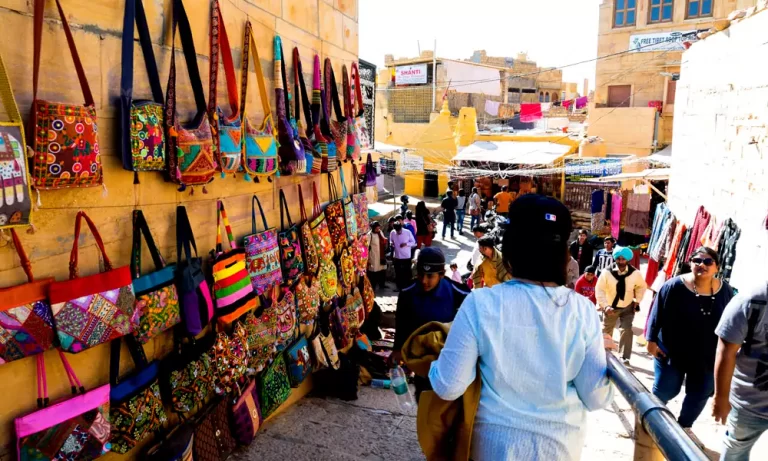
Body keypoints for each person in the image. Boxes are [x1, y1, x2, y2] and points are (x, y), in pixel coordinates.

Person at [428, 194, 613, 460]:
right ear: (564, 253)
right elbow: (596, 398)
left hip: (492, 449)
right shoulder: (582, 311)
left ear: (512, 247)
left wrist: (434, 362)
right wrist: (603, 357)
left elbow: (448, 385)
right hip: (559, 449)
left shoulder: (480, 303)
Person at [644, 247, 734, 436]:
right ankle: (649, 422)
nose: (702, 265)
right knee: (666, 391)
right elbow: (656, 312)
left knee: (700, 393)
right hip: (671, 352)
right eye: (696, 261)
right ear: (690, 263)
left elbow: (732, 320)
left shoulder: (725, 290)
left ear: (717, 266)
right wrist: (651, 340)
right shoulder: (674, 286)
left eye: (708, 261)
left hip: (707, 356)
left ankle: (684, 427)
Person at [393, 248, 470, 396]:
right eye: (421, 275)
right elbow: (402, 322)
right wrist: (397, 349)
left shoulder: (459, 293)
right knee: (423, 397)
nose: (424, 281)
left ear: (441, 275)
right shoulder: (407, 294)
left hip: (449, 360)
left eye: (430, 276)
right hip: (422, 360)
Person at [713, 267, 768, 459]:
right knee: (736, 448)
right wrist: (720, 397)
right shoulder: (749, 300)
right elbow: (726, 351)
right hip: (750, 403)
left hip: (750, 402)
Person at [596, 246, 648, 365]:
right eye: (618, 259)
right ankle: (604, 355)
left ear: (627, 260)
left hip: (627, 307)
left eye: (623, 259)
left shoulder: (635, 273)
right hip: (610, 308)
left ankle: (624, 357)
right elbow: (599, 290)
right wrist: (605, 306)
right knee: (606, 332)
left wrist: (637, 300)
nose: (620, 262)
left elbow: (642, 286)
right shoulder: (606, 273)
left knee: (627, 330)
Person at [389, 218, 416, 290]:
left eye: (399, 230)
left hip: (406, 256)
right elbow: (391, 240)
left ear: (401, 227)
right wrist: (391, 243)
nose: (398, 232)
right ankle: (399, 287)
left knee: (406, 272)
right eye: (397, 231)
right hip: (397, 256)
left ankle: (407, 286)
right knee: (398, 272)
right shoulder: (392, 232)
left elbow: (413, 242)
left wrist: (406, 244)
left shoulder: (407, 232)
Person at [366, 222, 388, 290]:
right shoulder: (370, 235)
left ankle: (382, 284)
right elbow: (367, 246)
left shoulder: (380, 232)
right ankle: (373, 286)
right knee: (374, 272)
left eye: (379, 227)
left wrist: (385, 240)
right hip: (374, 256)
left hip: (381, 255)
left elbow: (383, 238)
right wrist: (368, 258)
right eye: (377, 228)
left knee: (382, 270)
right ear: (373, 228)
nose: (378, 229)